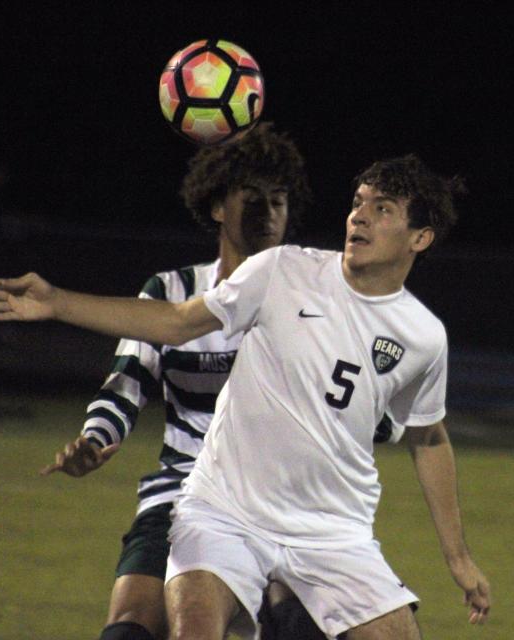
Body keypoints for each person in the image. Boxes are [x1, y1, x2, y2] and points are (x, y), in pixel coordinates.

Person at [0, 153, 491, 639]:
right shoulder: (283, 270)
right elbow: (177, 324)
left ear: (420, 237)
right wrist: (59, 302)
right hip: (226, 511)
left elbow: (428, 439)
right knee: (192, 628)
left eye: (383, 209)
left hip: (333, 530)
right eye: (359, 202)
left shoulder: (423, 336)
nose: (360, 216)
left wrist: (459, 558)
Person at [35, 123, 337, 640]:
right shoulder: (172, 290)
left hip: (280, 503)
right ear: (217, 206)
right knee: (130, 629)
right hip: (183, 492)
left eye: (279, 200)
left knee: (302, 628)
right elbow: (126, 384)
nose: (268, 214)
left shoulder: (314, 300)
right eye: (252, 199)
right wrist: (96, 438)